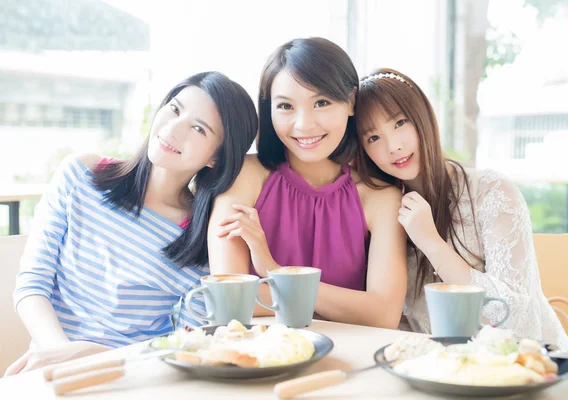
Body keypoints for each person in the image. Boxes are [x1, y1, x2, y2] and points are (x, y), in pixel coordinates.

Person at [6, 72, 258, 375]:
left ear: (216, 158)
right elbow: (32, 285)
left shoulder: (201, 240)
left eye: (198, 128)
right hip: (46, 368)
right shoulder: (81, 175)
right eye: (175, 109)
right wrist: (62, 354)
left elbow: (185, 345)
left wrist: (96, 357)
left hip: (130, 377)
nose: (174, 129)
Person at [354, 68, 568, 348]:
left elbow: (518, 319)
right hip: (444, 373)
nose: (393, 146)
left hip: (526, 366)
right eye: (373, 138)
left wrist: (431, 243)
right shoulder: (383, 212)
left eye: (400, 123)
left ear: (423, 116)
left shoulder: (492, 191)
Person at [208, 38, 407, 329]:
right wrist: (344, 306)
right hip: (258, 358)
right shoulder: (245, 176)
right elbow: (228, 301)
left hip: (350, 358)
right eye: (286, 106)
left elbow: (383, 315)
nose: (304, 124)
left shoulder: (380, 197)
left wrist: (276, 272)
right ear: (270, 110)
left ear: (351, 101)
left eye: (321, 102)